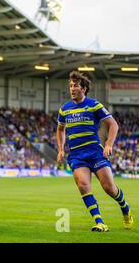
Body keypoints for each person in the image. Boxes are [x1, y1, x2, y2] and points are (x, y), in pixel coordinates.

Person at [56, 71, 133, 232]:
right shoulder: (64, 109)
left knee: (109, 188)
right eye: (70, 86)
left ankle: (124, 207)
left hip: (95, 152)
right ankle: (99, 222)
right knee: (83, 185)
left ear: (83, 88)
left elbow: (113, 125)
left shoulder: (94, 105)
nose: (72, 89)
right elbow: (60, 129)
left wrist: (109, 144)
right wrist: (60, 149)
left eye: (75, 86)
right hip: (76, 155)